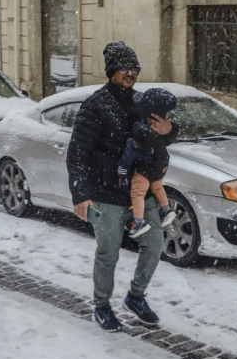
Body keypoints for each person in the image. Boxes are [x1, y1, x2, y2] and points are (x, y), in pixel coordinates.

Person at [66, 41, 179, 333]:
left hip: (140, 190)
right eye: (124, 68)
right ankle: (102, 306)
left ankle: (135, 296)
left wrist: (170, 131)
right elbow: (77, 152)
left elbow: (157, 138)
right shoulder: (95, 105)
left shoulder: (142, 102)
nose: (130, 73)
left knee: (154, 246)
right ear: (111, 71)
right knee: (108, 254)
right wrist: (81, 195)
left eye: (134, 68)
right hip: (107, 195)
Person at [116, 88, 178, 238]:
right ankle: (165, 209)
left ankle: (138, 221)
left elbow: (130, 152)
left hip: (147, 166)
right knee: (157, 186)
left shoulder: (140, 130)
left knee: (137, 193)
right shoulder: (156, 127)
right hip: (163, 162)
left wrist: (122, 167)